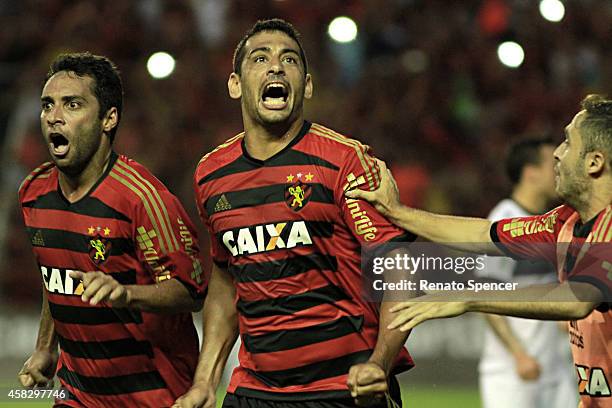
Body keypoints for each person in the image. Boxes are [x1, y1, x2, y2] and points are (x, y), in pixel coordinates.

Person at [175, 19, 415, 408]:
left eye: (289, 59)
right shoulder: (212, 175)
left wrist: (379, 363)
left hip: (344, 385)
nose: (275, 67)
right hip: (254, 390)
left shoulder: (345, 162)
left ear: (306, 85)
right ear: (235, 84)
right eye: (260, 58)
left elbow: (400, 267)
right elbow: (225, 278)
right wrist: (205, 381)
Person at [345, 94, 612, 408]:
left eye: (568, 143)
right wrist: (397, 212)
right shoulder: (564, 222)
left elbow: (578, 298)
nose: (557, 153)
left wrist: (469, 298)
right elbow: (483, 233)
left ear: (594, 162)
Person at [17, 52, 207, 407]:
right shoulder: (34, 193)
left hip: (152, 396)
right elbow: (56, 274)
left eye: (72, 105)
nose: (54, 118)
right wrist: (45, 348)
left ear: (108, 118)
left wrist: (126, 293)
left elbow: (190, 292)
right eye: (47, 105)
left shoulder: (144, 199)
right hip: (76, 395)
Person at [477, 138, 576, 408]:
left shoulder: (553, 222)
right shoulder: (504, 220)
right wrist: (518, 354)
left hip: (556, 366)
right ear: (530, 173)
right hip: (514, 371)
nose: (558, 169)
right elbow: (487, 295)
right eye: (550, 164)